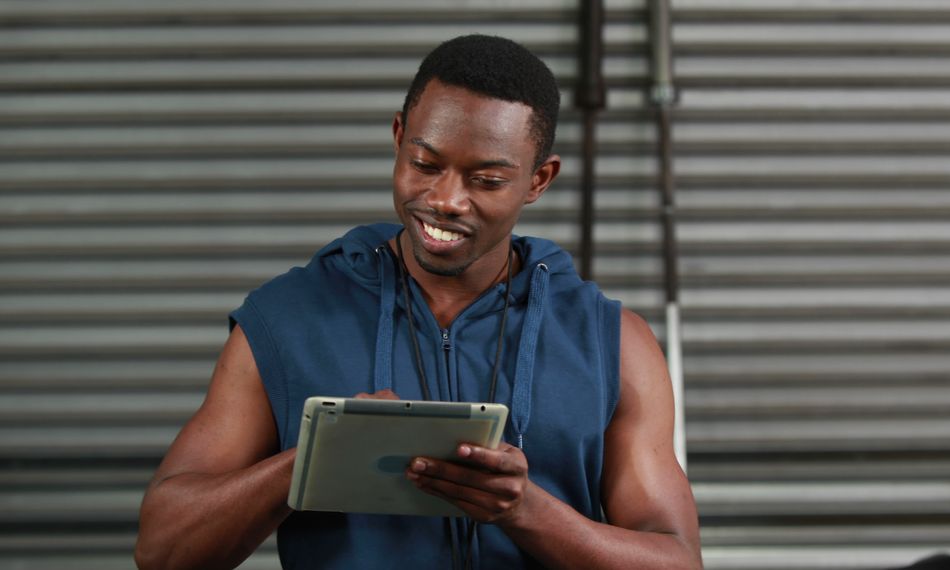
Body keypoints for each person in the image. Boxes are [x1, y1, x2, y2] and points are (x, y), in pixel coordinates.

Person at [134, 34, 702, 569]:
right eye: (425, 164)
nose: (445, 200)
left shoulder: (611, 341)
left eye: (485, 179)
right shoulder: (287, 319)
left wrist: (527, 510)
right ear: (399, 136)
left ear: (538, 180)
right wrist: (318, 454)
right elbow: (162, 550)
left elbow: (677, 559)